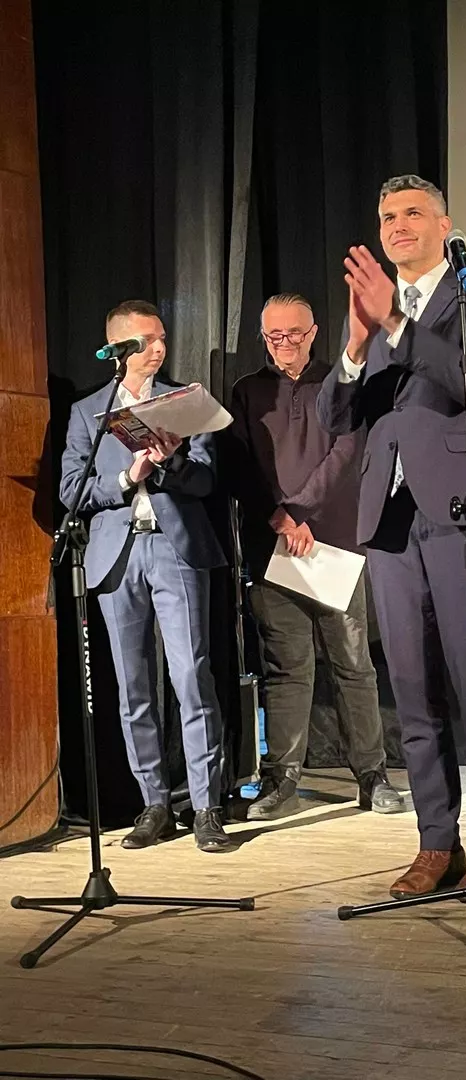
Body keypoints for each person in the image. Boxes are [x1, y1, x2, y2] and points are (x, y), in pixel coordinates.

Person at [316, 175, 466, 898]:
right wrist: (355, 344)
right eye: (387, 217)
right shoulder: (373, 313)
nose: (397, 225)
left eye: (412, 213)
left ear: (444, 225)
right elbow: (335, 418)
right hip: (391, 520)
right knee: (412, 690)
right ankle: (436, 842)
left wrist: (398, 326)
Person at [60, 300, 235, 853]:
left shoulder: (184, 402)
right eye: (146, 341)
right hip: (117, 555)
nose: (158, 349)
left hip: (174, 548)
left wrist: (168, 463)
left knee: (191, 677)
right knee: (133, 688)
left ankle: (206, 807)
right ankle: (154, 803)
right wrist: (126, 475)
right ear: (118, 348)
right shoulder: (88, 411)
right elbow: (71, 491)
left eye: (162, 338)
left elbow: (206, 481)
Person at [228, 293, 405, 820]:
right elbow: (238, 463)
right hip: (272, 547)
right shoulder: (246, 391)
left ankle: (371, 775)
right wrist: (279, 518)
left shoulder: (340, 383)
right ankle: (282, 780)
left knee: (353, 664)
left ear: (313, 332)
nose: (284, 343)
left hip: (335, 547)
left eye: (294, 333)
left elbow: (348, 453)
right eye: (273, 335)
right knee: (286, 668)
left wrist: (300, 511)